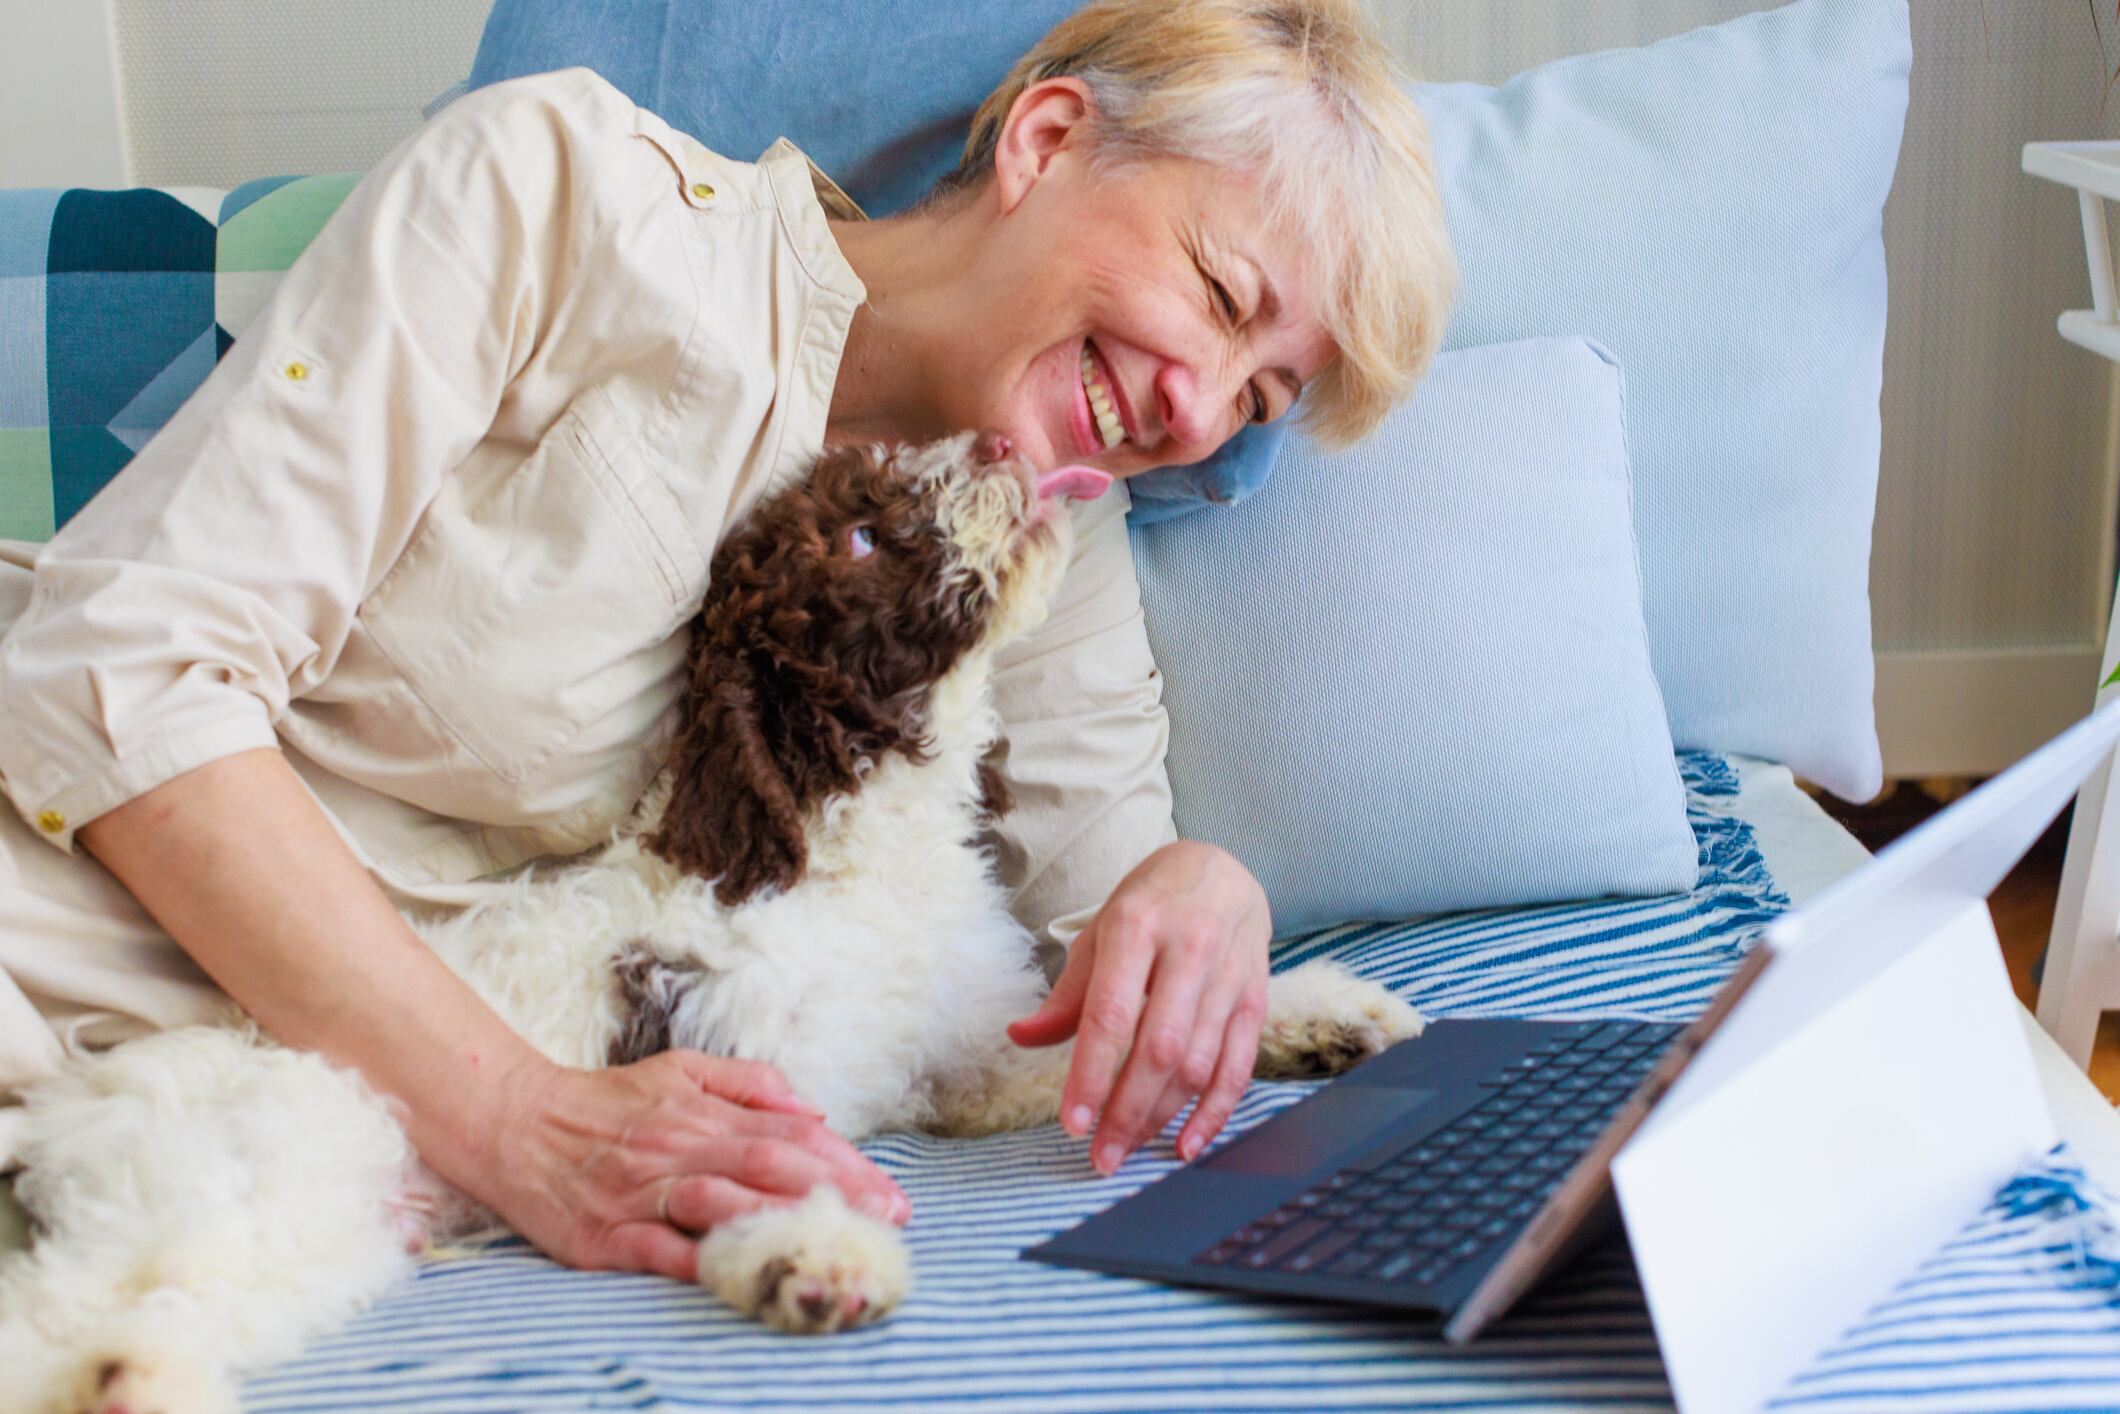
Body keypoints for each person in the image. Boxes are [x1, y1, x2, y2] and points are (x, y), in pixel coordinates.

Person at [0, 0, 1453, 1284]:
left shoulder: (1047, 547)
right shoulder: (561, 201)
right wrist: (512, 1116)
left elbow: (1093, 946)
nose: (1200, 415)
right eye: (1220, 298)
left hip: (206, 1180)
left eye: (1258, 402)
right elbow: (125, 665)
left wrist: (1203, 893)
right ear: (1049, 138)